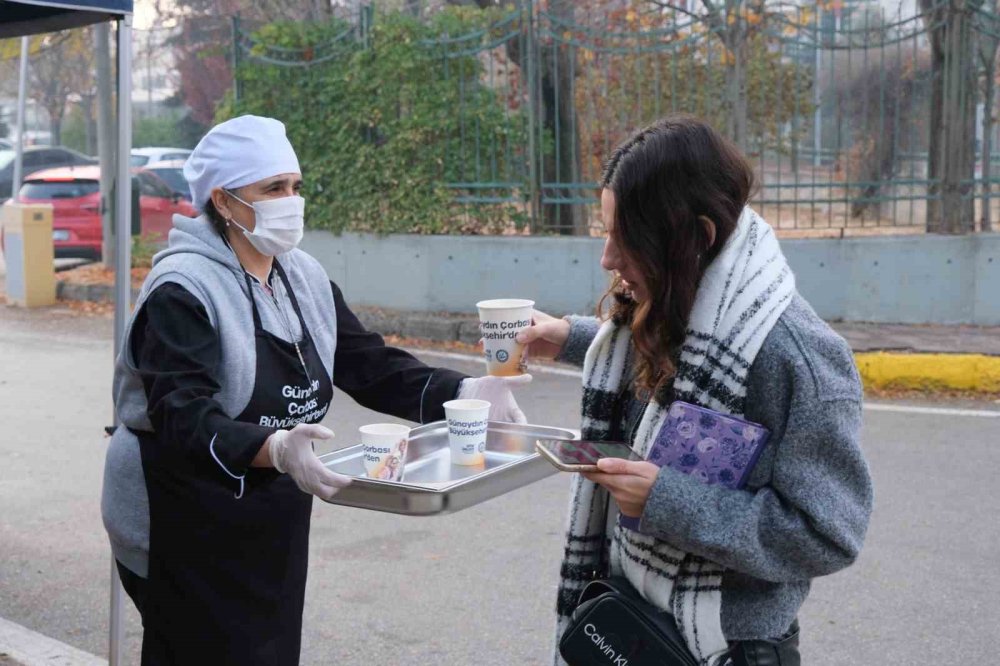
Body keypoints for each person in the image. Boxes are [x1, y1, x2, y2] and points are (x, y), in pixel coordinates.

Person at [100, 115, 528, 665]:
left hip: (272, 502)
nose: (291, 201)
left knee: (268, 649)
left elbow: (368, 363)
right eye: (272, 188)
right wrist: (275, 447)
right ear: (224, 202)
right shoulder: (181, 290)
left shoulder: (301, 275)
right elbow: (184, 417)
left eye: (295, 186)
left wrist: (466, 390)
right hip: (178, 511)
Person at [517, 116, 873, 666]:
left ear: (699, 236)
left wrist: (665, 502)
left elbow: (825, 535)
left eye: (626, 237)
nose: (608, 258)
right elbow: (672, 365)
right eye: (605, 230)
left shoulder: (797, 359)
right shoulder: (688, 306)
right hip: (635, 615)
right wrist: (570, 338)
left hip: (728, 650)